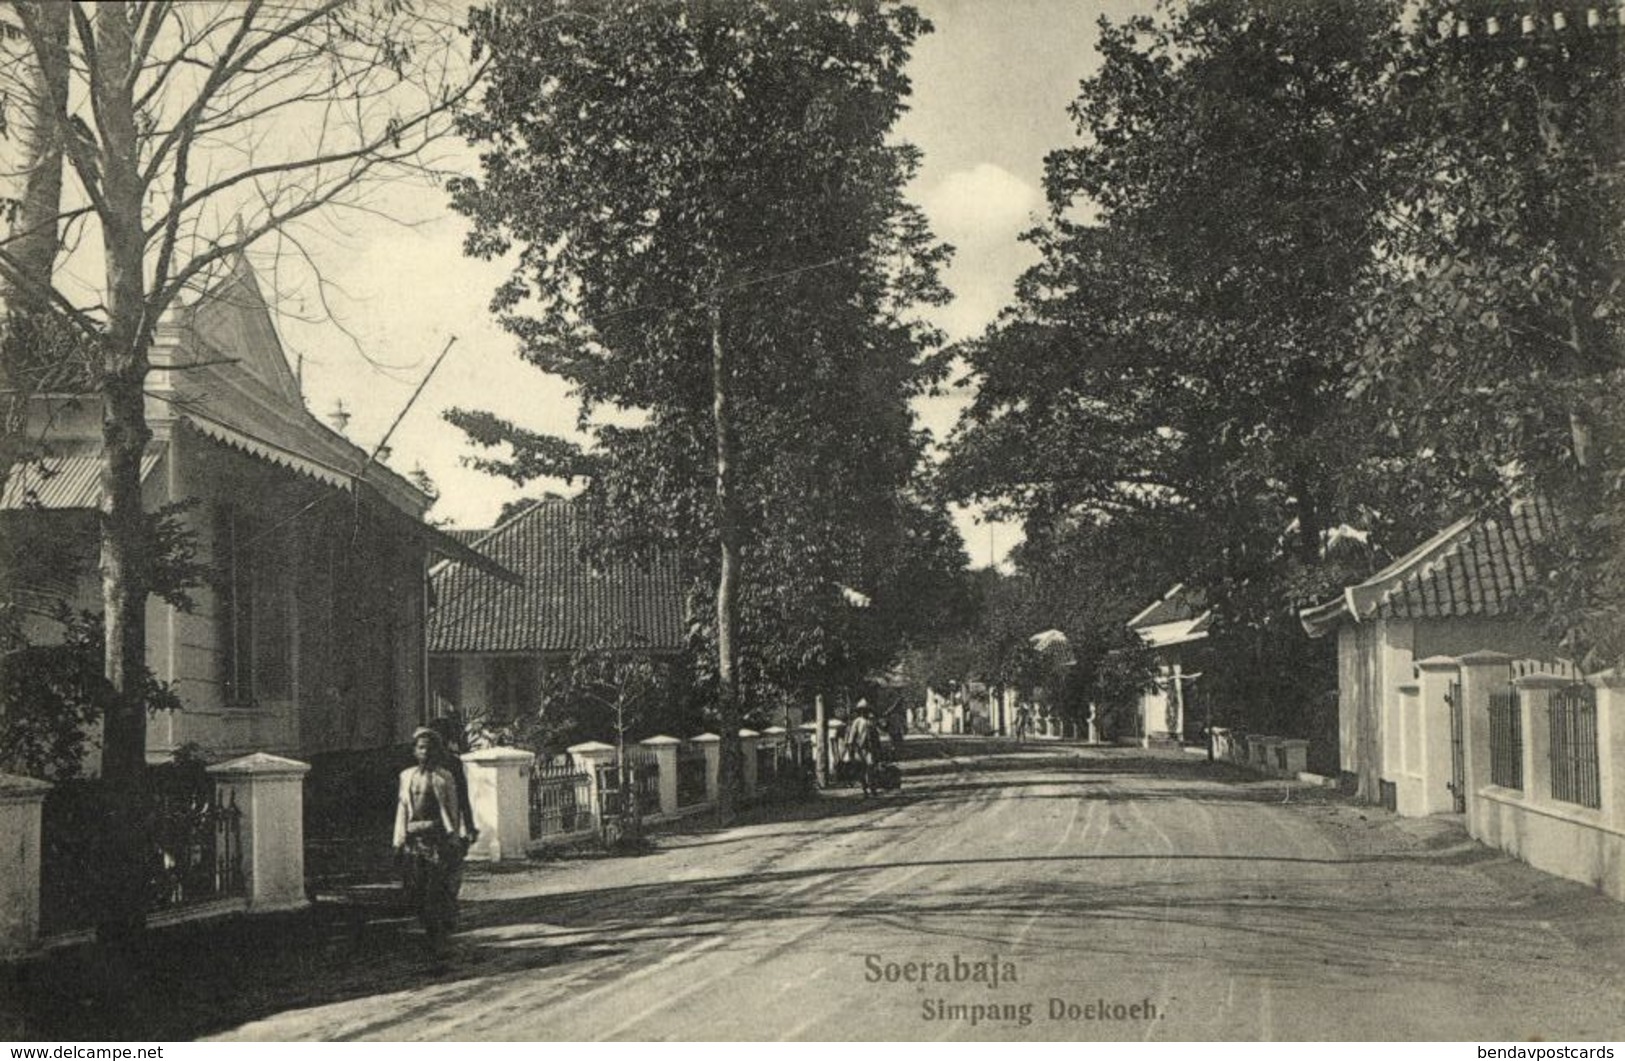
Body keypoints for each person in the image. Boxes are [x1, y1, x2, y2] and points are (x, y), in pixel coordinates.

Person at [393, 727, 467, 955]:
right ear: (415, 751)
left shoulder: (444, 777)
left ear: (436, 751)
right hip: (414, 839)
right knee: (415, 886)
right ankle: (430, 924)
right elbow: (402, 809)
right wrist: (398, 840)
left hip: (438, 838)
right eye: (421, 747)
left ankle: (437, 932)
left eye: (429, 747)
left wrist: (456, 836)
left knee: (437, 885)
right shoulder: (406, 776)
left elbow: (453, 809)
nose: (425, 751)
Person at [845, 700, 883, 797]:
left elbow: (876, 735)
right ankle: (865, 788)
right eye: (862, 710)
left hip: (870, 748)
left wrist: (878, 746)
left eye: (866, 710)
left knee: (871, 767)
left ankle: (872, 788)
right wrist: (851, 748)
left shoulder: (871, 721)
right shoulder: (857, 722)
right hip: (860, 748)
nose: (864, 712)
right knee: (861, 769)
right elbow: (852, 735)